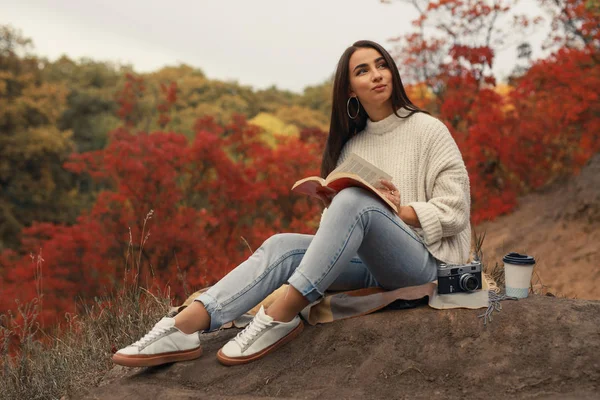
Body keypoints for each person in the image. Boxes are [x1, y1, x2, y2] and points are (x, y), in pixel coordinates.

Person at [112, 40, 471, 368]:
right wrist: (334, 202)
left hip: (425, 263)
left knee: (357, 200)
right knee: (282, 245)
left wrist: (398, 211)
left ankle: (280, 317)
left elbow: (455, 210)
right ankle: (184, 326)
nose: (377, 75)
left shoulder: (428, 129)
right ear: (349, 90)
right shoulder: (350, 147)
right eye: (363, 70)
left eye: (382, 65)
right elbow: (339, 229)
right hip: (369, 264)